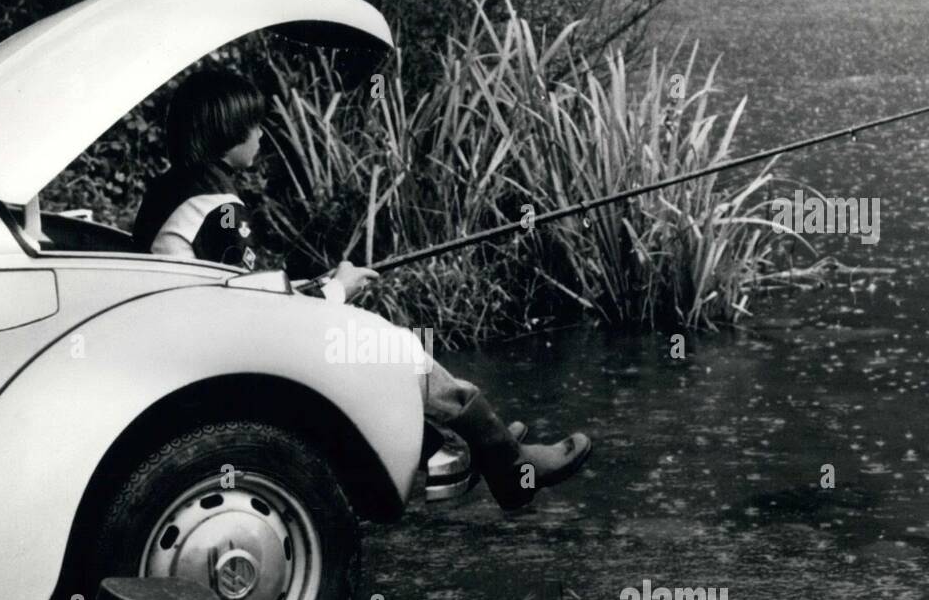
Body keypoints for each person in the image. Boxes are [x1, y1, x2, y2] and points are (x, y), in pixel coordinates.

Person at [133, 68, 590, 510]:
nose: (261, 136)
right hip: (218, 365)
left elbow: (227, 292)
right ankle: (504, 462)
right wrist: (338, 292)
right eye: (253, 126)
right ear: (227, 131)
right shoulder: (220, 205)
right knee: (395, 346)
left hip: (187, 352)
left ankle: (486, 448)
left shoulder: (170, 192)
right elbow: (250, 315)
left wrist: (317, 286)